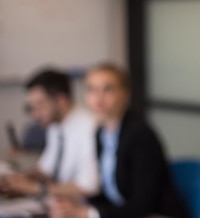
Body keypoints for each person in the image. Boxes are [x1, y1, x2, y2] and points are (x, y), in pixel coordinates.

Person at [49, 63, 189, 218]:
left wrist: (89, 213)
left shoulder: (140, 136)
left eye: (107, 89)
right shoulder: (101, 133)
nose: (98, 97)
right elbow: (110, 193)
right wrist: (78, 204)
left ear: (126, 94)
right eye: (91, 89)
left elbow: (142, 205)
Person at [0, 69, 99, 198]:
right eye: (32, 107)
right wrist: (15, 181)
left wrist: (34, 188)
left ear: (62, 101)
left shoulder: (90, 128)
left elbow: (88, 187)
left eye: (40, 105)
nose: (35, 114)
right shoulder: (55, 125)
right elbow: (46, 170)